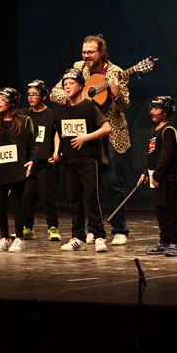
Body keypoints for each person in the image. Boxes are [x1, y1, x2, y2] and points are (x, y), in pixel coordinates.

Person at [49, 34, 131, 246]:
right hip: (81, 135)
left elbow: (125, 106)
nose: (86, 56)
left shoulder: (116, 72)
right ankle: (92, 230)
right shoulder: (78, 68)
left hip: (110, 133)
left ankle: (119, 229)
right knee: (85, 187)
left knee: (113, 183)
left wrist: (116, 94)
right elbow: (55, 93)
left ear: (101, 52)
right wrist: (81, 99)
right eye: (84, 52)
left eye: (90, 52)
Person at [52, 69, 112, 252]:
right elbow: (58, 132)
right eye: (64, 84)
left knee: (92, 197)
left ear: (80, 85)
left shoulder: (89, 106)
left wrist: (86, 137)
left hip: (87, 160)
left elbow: (106, 128)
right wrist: (56, 151)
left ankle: (99, 235)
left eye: (71, 83)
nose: (67, 86)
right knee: (74, 200)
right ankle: (78, 237)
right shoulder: (61, 109)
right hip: (69, 161)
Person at [0, 87, 36, 252]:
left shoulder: (24, 121)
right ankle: (4, 237)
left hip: (16, 167)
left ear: (12, 103)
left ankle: (19, 238)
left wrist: (32, 161)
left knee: (17, 203)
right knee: (0, 205)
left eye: (3, 99)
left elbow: (32, 146)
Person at [139, 96, 177, 257]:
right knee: (159, 210)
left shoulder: (168, 131)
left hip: (167, 178)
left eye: (156, 109)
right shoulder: (153, 131)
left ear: (165, 113)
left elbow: (166, 157)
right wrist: (145, 173)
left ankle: (175, 243)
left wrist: (157, 176)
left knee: (169, 210)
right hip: (154, 176)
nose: (152, 111)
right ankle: (164, 241)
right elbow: (150, 155)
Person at [21, 79, 61, 241]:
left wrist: (57, 152)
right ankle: (27, 227)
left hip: (45, 161)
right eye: (29, 94)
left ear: (44, 96)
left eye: (35, 94)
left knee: (47, 195)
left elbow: (57, 133)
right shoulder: (24, 113)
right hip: (28, 163)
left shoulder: (51, 114)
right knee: (26, 196)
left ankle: (52, 227)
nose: (31, 97)